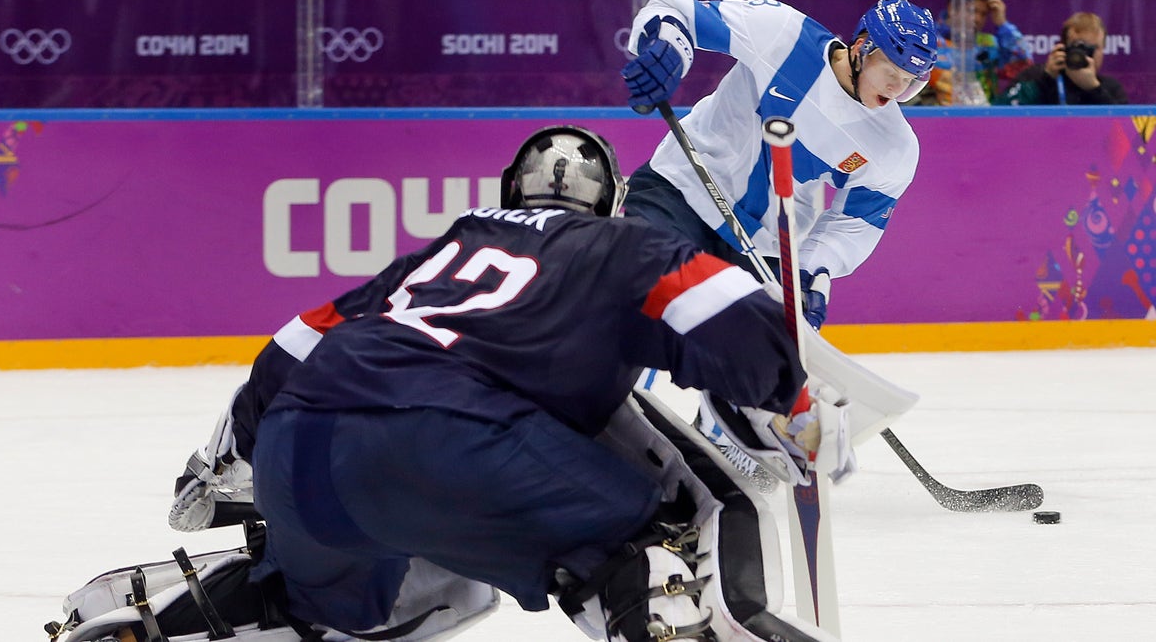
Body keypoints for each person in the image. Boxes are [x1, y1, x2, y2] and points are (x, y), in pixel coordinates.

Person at [161, 126, 852, 642]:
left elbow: (293, 344)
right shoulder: (623, 244)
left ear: (507, 191)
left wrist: (221, 462)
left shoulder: (437, 254)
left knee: (336, 609)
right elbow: (722, 311)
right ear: (613, 202)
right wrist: (795, 400)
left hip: (297, 453)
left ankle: (182, 619)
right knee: (656, 533)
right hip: (449, 440)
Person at [619, 0, 936, 462]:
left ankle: (723, 454)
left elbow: (854, 225)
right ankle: (604, 420)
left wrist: (812, 270)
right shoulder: (782, 33)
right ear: (862, 46)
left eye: (912, 83)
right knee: (636, 299)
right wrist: (666, 48)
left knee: (756, 362)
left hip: (765, 239)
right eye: (893, 73)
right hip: (681, 188)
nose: (898, 90)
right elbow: (677, 11)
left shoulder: (893, 148)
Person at [922, 0, 1032, 105]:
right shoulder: (928, 40)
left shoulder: (989, 43)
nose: (978, 19)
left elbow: (1023, 68)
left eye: (984, 14)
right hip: (936, 118)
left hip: (984, 118)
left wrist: (1003, 24)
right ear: (952, 8)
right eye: (972, 11)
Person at [994, 12, 1128, 106]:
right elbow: (1004, 111)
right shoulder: (1034, 76)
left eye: (1093, 48)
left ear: (1103, 49)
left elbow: (1124, 130)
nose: (1086, 55)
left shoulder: (1110, 87)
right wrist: (1045, 79)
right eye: (1079, 47)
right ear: (1063, 46)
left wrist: (1093, 88)